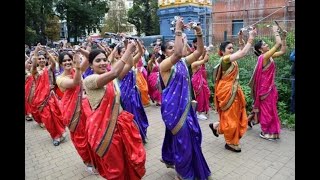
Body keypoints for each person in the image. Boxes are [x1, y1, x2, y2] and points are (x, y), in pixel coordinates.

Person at [158, 16, 212, 179]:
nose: (175, 49)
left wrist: (199, 33)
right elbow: (176, 54)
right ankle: (183, 174)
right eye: (170, 47)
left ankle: (193, 169)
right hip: (174, 111)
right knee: (183, 144)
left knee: (193, 138)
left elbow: (199, 52)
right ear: (165, 52)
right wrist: (179, 30)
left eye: (175, 46)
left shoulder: (182, 63)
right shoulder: (165, 65)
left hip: (186, 110)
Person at [83, 45, 146, 179]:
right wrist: (128, 50)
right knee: (115, 169)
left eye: (105, 60)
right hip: (105, 131)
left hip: (121, 127)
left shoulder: (112, 79)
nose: (103, 63)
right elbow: (114, 73)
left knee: (128, 161)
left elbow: (128, 63)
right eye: (98, 61)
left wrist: (127, 47)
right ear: (91, 65)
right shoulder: (90, 80)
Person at [208, 28, 257, 152]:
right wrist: (251, 37)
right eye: (229, 48)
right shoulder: (225, 60)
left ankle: (216, 127)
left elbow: (240, 50)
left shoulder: (231, 59)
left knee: (236, 116)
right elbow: (242, 53)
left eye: (232, 48)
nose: (232, 49)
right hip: (227, 92)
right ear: (222, 52)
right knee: (230, 118)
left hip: (234, 91)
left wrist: (240, 38)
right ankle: (230, 142)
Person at [56, 51, 97, 174]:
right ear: (60, 64)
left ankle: (96, 159)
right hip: (72, 111)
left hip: (85, 107)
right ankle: (88, 161)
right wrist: (77, 66)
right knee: (81, 138)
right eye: (65, 61)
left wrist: (80, 51)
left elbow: (90, 57)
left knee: (92, 134)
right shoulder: (60, 78)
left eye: (69, 59)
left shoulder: (76, 69)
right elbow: (74, 83)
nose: (68, 62)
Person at [248, 24, 287, 140]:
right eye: (265, 44)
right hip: (265, 90)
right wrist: (275, 32)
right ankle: (266, 132)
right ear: (260, 49)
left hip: (270, 88)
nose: (267, 45)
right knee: (266, 111)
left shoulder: (269, 56)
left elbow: (283, 50)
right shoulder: (264, 57)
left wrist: (284, 37)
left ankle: (251, 121)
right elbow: (278, 44)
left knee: (270, 110)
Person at [30, 44, 66, 146]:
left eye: (43, 58)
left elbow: (54, 62)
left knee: (57, 115)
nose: (41, 60)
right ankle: (55, 136)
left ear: (46, 60)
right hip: (41, 100)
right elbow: (33, 67)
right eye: (39, 59)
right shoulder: (36, 72)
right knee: (48, 119)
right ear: (37, 60)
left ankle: (60, 131)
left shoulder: (49, 69)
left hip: (51, 96)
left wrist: (47, 51)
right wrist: (36, 52)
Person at [191, 48, 210, 120]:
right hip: (197, 82)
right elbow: (205, 60)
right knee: (200, 97)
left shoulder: (198, 60)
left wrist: (204, 51)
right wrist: (208, 51)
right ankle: (198, 113)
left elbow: (204, 58)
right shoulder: (194, 63)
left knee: (204, 96)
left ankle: (201, 111)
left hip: (201, 81)